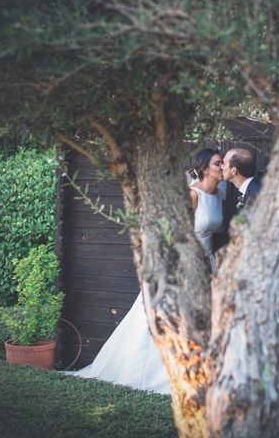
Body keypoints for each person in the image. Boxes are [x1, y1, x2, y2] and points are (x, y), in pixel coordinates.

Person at [67, 148, 224, 393]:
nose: (223, 166)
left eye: (223, 162)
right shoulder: (192, 195)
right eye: (218, 162)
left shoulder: (218, 195)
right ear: (205, 168)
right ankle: (157, 373)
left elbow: (210, 235)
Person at [222, 147, 262, 213]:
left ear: (234, 171)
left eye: (224, 164)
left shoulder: (256, 193)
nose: (222, 167)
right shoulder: (247, 190)